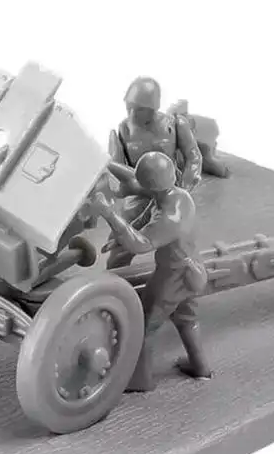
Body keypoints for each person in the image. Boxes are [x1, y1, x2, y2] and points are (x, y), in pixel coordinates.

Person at [91, 151, 212, 391]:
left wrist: (109, 213)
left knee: (144, 325)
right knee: (187, 320)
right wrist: (120, 238)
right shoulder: (177, 196)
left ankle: (141, 380)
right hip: (191, 270)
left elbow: (142, 243)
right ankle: (200, 367)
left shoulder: (170, 216)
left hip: (173, 276)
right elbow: (144, 213)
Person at [106, 77, 202, 269]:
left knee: (179, 243)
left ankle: (181, 275)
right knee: (121, 243)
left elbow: (193, 155)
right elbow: (115, 169)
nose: (132, 113)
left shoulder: (175, 124)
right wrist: (122, 187)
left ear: (153, 107)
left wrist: (186, 184)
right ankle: (116, 276)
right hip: (138, 191)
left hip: (170, 191)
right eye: (129, 107)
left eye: (139, 108)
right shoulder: (123, 130)